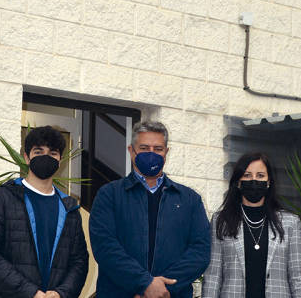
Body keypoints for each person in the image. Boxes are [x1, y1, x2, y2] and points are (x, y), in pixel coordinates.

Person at [89, 121, 211, 298]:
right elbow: (105, 247)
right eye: (145, 148)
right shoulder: (109, 195)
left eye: (158, 149)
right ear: (131, 151)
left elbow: (200, 251)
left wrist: (161, 289)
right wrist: (144, 283)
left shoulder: (190, 199)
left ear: (166, 153)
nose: (151, 154)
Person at [0, 125, 88, 298]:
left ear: (60, 160)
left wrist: (60, 293)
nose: (46, 158)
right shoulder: (1, 199)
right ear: (26, 157)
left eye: (53, 153)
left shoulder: (69, 208)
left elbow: (79, 261)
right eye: (38, 152)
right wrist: (30, 292)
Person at [202, 152, 301, 298]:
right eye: (247, 175)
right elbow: (213, 276)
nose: (253, 180)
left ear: (269, 181)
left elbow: (298, 278)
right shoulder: (222, 220)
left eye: (260, 175)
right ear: (238, 181)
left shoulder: (290, 223)